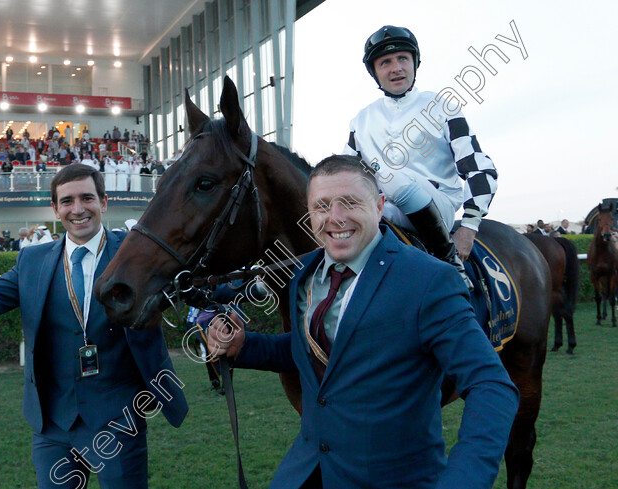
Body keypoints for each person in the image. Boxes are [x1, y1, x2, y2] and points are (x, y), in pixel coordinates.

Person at [207, 155, 518, 489]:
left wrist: (463, 481)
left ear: (380, 205)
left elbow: (491, 385)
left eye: (350, 203)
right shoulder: (303, 274)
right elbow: (323, 348)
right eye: (322, 206)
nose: (335, 218)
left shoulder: (428, 279)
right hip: (305, 473)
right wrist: (245, 346)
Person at [0, 165, 187, 489]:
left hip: (119, 417)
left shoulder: (136, 252)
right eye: (67, 201)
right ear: (55, 209)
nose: (78, 208)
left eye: (87, 198)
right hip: (53, 423)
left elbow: (188, 282)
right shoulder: (32, 260)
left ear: (104, 202)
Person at [343, 26, 498, 290]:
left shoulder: (442, 106)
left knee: (393, 179)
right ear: (375, 72)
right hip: (381, 211)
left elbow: (480, 169)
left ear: (415, 63)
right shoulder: (361, 120)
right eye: (385, 62)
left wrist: (469, 226)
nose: (396, 68)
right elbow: (344, 176)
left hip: (439, 208)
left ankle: (450, 261)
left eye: (403, 58)